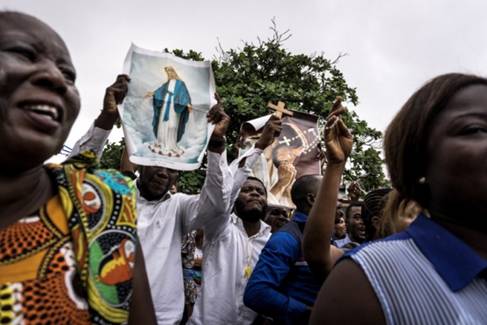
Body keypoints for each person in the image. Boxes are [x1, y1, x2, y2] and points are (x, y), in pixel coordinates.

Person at [0, 11, 156, 324]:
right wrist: (106, 119)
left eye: (69, 76)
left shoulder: (104, 208)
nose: (57, 79)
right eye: (22, 53)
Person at [310, 73, 487, 324]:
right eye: (475, 129)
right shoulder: (369, 279)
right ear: (418, 162)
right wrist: (336, 165)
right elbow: (317, 254)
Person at [73, 81, 240, 324]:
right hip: (103, 314)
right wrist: (106, 119)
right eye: (158, 164)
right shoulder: (113, 194)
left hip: (161, 319)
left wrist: (216, 145)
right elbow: (73, 179)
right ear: (140, 163)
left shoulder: (180, 207)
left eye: (173, 169)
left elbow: (218, 205)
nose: (164, 172)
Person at [188, 116, 282, 325]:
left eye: (260, 192)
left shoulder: (271, 243)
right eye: (247, 190)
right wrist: (259, 147)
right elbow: (224, 191)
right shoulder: (220, 227)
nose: (255, 194)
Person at [243, 175, 323, 324]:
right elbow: (257, 293)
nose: (336, 200)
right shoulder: (286, 239)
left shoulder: (320, 236)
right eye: (330, 192)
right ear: (312, 199)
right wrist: (308, 313)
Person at [146, 66, 192, 157]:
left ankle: (171, 144)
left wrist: (188, 104)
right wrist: (152, 93)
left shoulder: (180, 83)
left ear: (173, 72)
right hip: (165, 104)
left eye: (170, 72)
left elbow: (184, 94)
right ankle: (161, 143)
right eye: (167, 73)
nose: (169, 74)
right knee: (163, 123)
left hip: (174, 106)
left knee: (172, 125)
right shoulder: (167, 83)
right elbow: (160, 91)